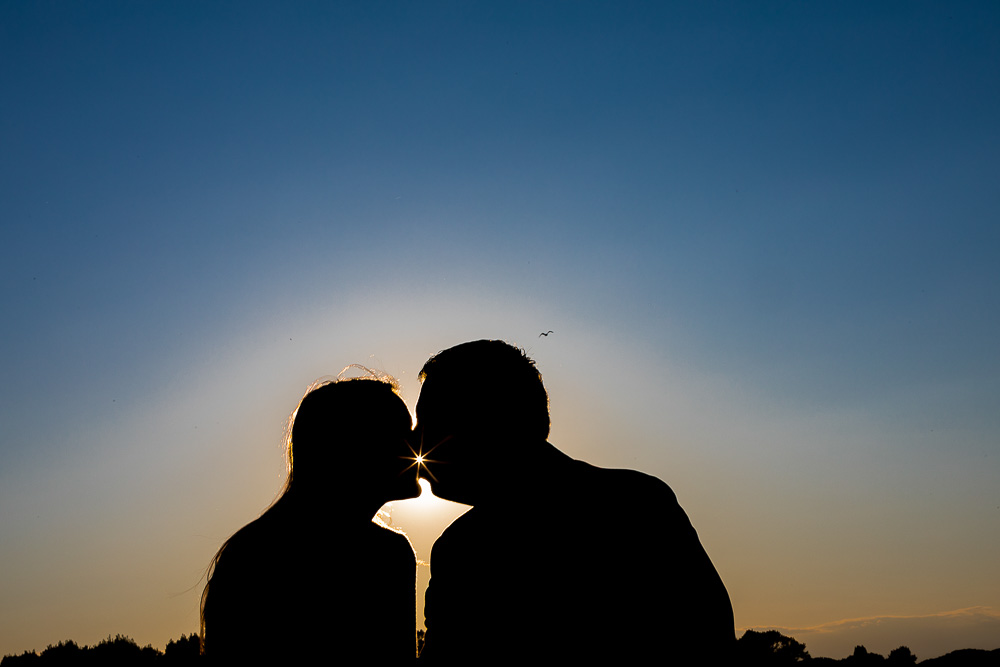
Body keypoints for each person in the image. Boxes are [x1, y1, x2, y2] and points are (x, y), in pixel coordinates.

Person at [415, 340, 735, 662]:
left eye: (429, 422)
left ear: (483, 423)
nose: (417, 441)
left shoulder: (466, 548)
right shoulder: (639, 500)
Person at [201, 372, 421, 663]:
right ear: (356, 447)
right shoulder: (384, 555)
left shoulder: (248, 550)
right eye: (401, 432)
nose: (418, 442)